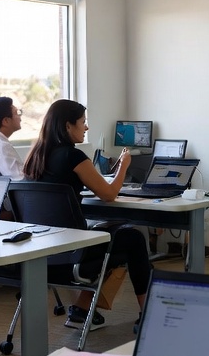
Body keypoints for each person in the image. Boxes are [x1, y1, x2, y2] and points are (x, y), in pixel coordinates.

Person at [22, 99, 152, 328]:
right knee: (133, 239)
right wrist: (124, 165)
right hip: (73, 254)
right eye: (83, 122)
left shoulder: (35, 156)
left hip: (41, 252)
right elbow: (109, 194)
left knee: (111, 239)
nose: (86, 127)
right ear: (67, 126)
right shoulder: (74, 157)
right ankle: (150, 313)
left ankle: (81, 311)